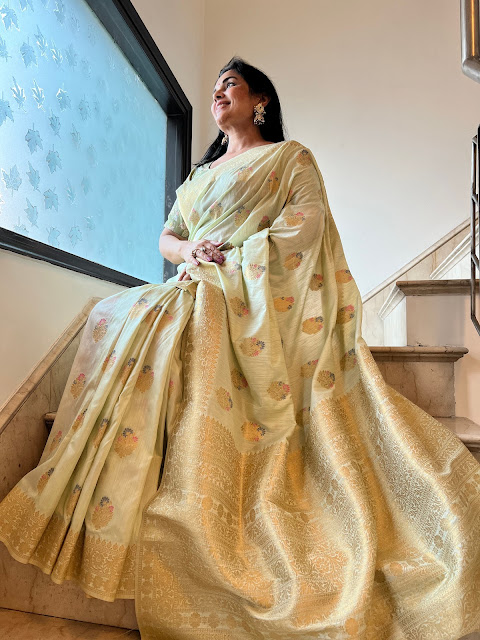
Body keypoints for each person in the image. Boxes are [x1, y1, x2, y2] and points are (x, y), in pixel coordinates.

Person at [0, 56, 480, 640]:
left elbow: (303, 226)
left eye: (230, 84)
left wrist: (232, 261)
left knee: (191, 318)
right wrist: (188, 252)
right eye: (214, 88)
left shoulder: (287, 158)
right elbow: (168, 234)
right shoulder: (199, 178)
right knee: (112, 313)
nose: (217, 94)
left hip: (242, 292)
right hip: (195, 281)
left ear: (261, 101)